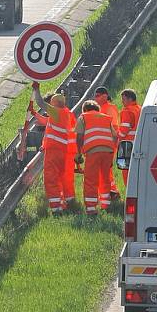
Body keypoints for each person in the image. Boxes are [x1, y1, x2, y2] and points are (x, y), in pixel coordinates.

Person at [32, 82, 77, 215]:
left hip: (54, 151)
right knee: (61, 177)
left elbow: (40, 102)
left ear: (54, 103)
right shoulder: (66, 114)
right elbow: (49, 123)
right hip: (63, 151)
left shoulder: (56, 111)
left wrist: (36, 89)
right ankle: (65, 202)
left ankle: (57, 208)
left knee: (51, 178)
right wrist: (35, 114)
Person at [76, 100, 117, 214]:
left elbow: (79, 137)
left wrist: (79, 153)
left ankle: (91, 208)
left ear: (84, 109)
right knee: (105, 178)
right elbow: (115, 136)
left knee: (90, 179)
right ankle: (106, 205)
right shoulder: (106, 118)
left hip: (93, 151)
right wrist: (112, 153)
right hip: (108, 151)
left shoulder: (83, 117)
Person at [94, 86, 120, 199]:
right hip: (103, 144)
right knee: (104, 169)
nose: (95, 98)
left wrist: (113, 145)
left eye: (97, 96)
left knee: (105, 169)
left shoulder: (109, 108)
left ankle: (112, 192)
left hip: (108, 144)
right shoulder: (100, 108)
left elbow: (114, 127)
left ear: (105, 96)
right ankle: (111, 191)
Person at [118, 88, 141, 185]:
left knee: (126, 169)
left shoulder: (127, 111)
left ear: (130, 99)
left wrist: (114, 134)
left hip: (126, 144)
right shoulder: (140, 109)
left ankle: (129, 192)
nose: (122, 102)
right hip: (139, 143)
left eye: (123, 99)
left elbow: (123, 132)